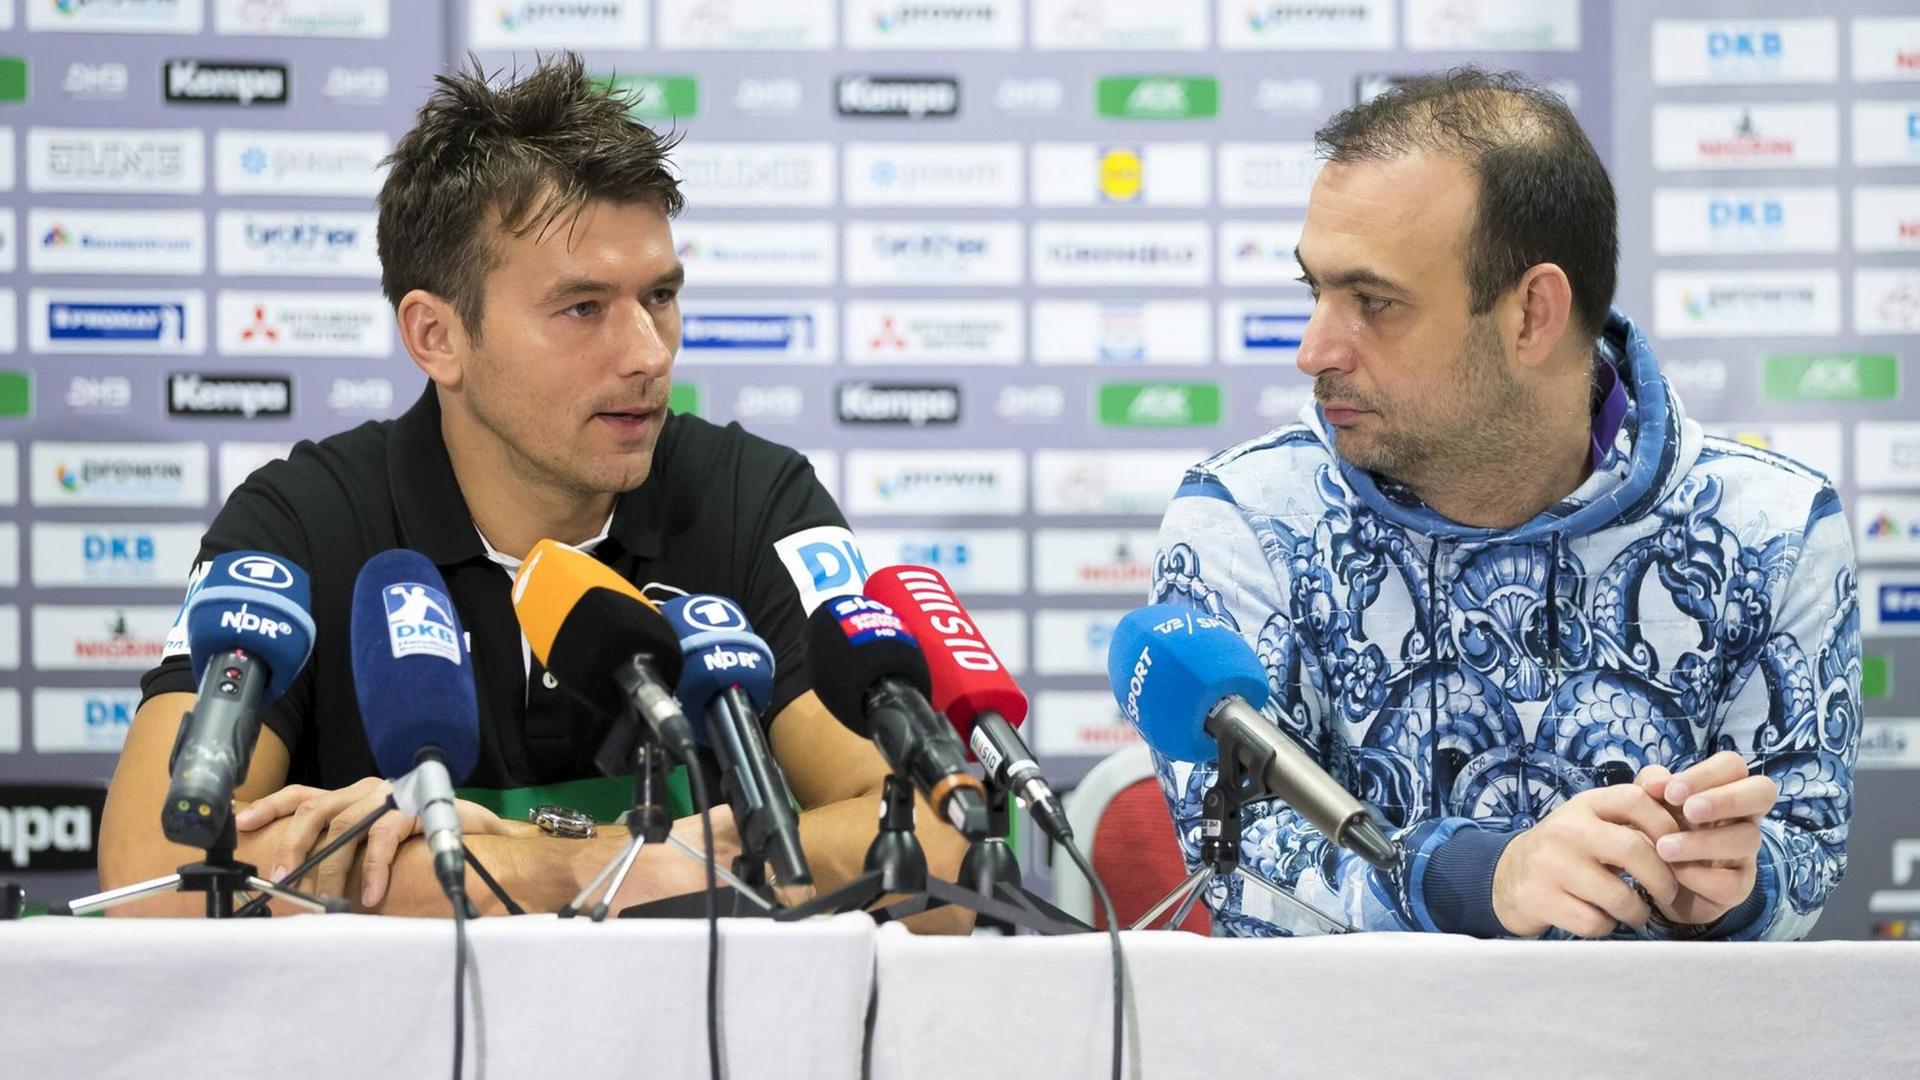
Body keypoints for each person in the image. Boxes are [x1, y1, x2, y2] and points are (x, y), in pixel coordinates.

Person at [98, 55, 971, 925]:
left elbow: (939, 854)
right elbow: (150, 875)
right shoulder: (305, 521)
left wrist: (485, 862)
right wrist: (588, 868)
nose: (647, 353)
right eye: (583, 308)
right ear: (437, 336)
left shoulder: (753, 500)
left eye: (659, 296)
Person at [1151, 69, 1859, 940]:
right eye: (1316, 291)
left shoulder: (1775, 531)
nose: (1313, 348)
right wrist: (1485, 879)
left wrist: (1731, 888)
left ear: (1533, 315)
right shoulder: (1247, 520)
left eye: (1372, 302)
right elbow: (1243, 865)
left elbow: (1806, 853)